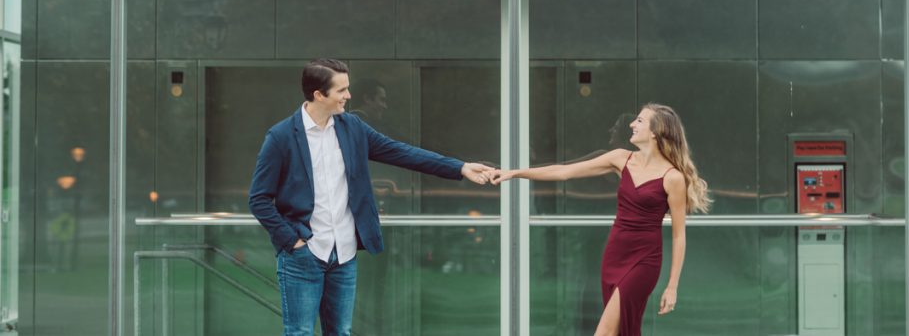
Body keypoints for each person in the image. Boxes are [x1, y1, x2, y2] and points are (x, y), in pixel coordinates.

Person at [249, 58, 493, 336]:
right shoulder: (281, 137)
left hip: (344, 253)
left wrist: (460, 167)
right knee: (299, 332)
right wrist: (292, 241)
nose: (349, 96)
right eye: (341, 90)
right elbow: (258, 199)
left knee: (341, 331)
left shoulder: (352, 128)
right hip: (303, 255)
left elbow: (403, 152)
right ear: (319, 94)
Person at [491, 103, 711, 336]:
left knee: (604, 332)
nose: (631, 124)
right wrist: (514, 173)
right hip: (615, 254)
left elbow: (678, 236)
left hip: (644, 261)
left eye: (639, 121)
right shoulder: (620, 159)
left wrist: (672, 286)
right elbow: (564, 171)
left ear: (656, 131)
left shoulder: (673, 178)